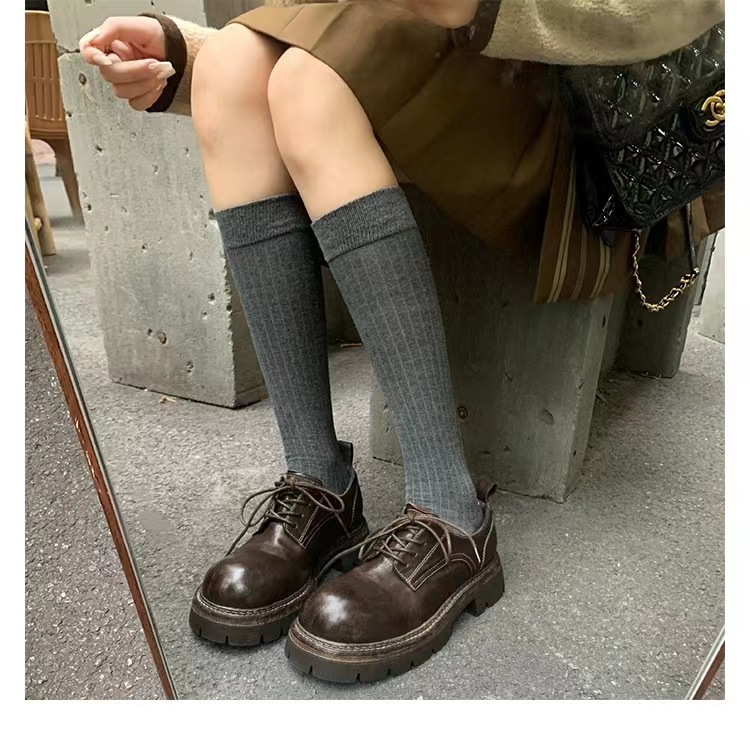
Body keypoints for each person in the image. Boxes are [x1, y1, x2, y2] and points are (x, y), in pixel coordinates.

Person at [80, 0, 724, 683]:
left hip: (579, 113)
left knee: (308, 85)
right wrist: (181, 56)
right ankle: (320, 484)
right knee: (229, 69)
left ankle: (453, 510)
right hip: (423, 63)